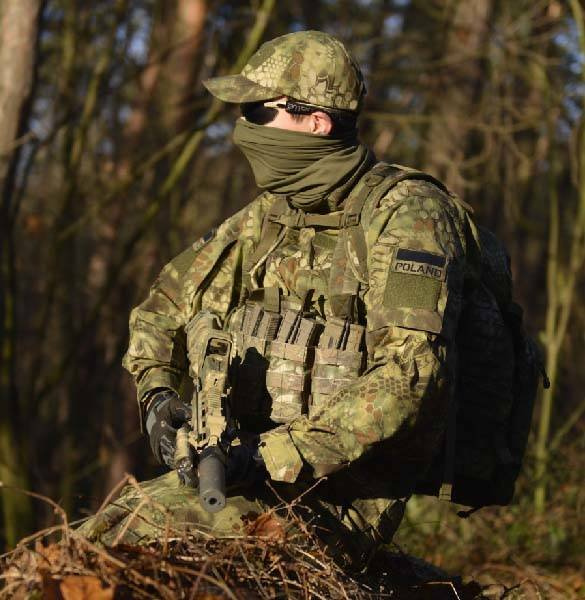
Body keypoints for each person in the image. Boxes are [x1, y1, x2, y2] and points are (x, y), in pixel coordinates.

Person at [79, 30, 476, 569]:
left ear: (317, 122)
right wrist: (157, 400)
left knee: (143, 534)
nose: (243, 127)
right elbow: (162, 308)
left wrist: (268, 456)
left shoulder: (411, 217)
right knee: (101, 531)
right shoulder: (269, 216)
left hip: (342, 495)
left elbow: (411, 374)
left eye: (258, 111)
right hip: (246, 477)